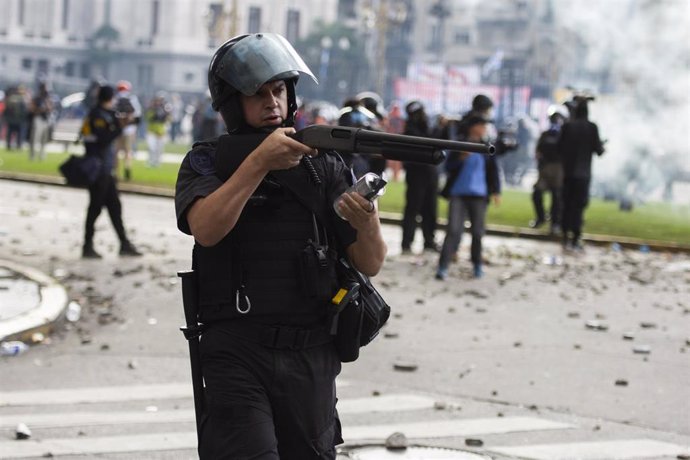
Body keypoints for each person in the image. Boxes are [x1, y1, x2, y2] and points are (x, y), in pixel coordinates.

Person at [174, 32, 386, 459]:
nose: (272, 102)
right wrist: (258, 163)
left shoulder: (323, 164)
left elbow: (370, 261)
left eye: (279, 90)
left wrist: (368, 222)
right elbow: (207, 229)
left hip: (311, 353)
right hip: (238, 352)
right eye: (257, 94)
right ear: (234, 104)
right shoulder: (208, 160)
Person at [81, 85, 142, 259]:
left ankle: (124, 244)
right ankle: (87, 246)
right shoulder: (97, 115)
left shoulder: (104, 114)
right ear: (109, 98)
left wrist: (120, 123)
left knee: (114, 207)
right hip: (98, 169)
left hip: (106, 170)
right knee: (95, 209)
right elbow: (103, 138)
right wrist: (120, 127)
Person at [436, 115, 501, 280]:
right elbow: (448, 166)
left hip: (479, 195)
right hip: (458, 193)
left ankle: (477, 264)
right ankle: (443, 265)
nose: (484, 129)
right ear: (473, 127)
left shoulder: (487, 146)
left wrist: (496, 191)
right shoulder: (460, 143)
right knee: (453, 230)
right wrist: (461, 159)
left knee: (478, 232)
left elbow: (493, 170)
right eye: (481, 125)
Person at [559, 97, 605, 251]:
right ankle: (576, 236)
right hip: (583, 174)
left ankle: (565, 235)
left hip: (568, 173)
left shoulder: (567, 127)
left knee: (567, 204)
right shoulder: (592, 127)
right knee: (578, 206)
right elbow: (599, 150)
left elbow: (560, 147)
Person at [400, 100, 439, 254]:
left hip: (430, 173)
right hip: (416, 174)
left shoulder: (428, 127)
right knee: (412, 209)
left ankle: (429, 240)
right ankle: (407, 242)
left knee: (430, 209)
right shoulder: (410, 130)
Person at [530, 106, 568, 233]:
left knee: (557, 197)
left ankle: (555, 223)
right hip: (545, 168)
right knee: (537, 193)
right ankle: (541, 217)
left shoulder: (563, 135)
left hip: (558, 168)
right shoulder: (545, 134)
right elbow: (538, 152)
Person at [113, 80, 142, 181]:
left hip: (117, 129)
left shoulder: (115, 99)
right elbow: (137, 115)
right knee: (128, 151)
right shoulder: (132, 99)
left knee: (116, 152)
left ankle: (116, 172)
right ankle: (127, 168)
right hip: (129, 130)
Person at [28, 82, 53, 161]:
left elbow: (50, 109)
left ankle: (42, 155)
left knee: (44, 139)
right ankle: (32, 155)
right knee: (35, 138)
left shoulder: (47, 99)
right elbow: (32, 109)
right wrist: (41, 109)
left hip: (46, 119)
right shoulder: (37, 98)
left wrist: (47, 106)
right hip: (38, 118)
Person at [144, 92, 171, 167]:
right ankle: (151, 161)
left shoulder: (165, 108)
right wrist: (155, 115)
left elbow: (169, 119)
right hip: (151, 130)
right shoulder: (151, 108)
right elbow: (148, 117)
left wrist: (165, 115)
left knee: (159, 148)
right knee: (151, 147)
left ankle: (157, 161)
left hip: (161, 130)